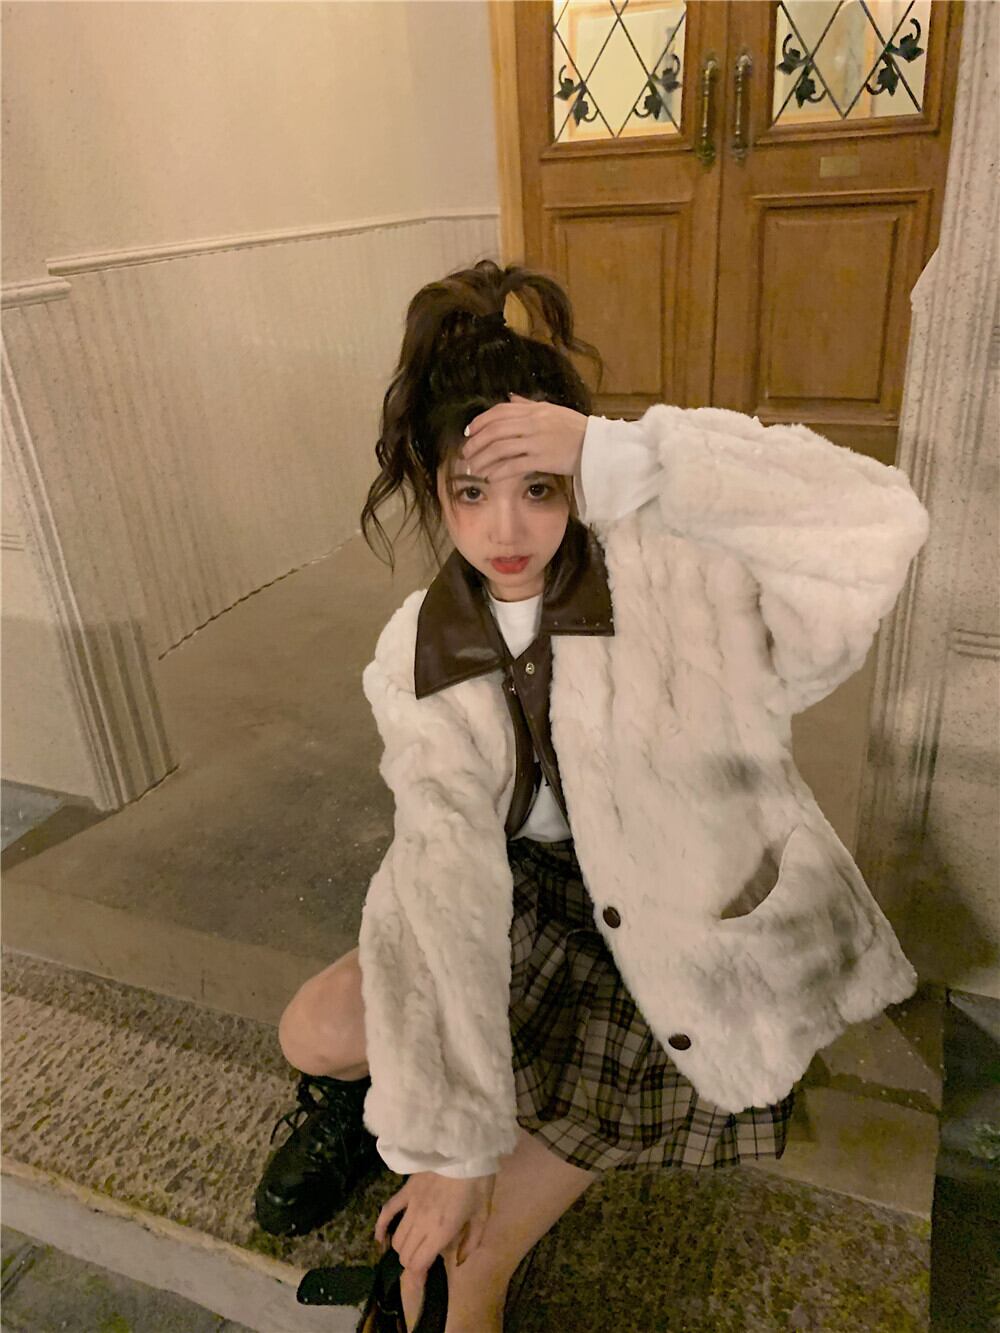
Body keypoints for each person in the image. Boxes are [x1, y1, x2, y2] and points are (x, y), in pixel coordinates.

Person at [255, 258, 930, 1331]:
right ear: (434, 486)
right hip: (527, 895)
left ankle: (464, 1233)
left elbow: (876, 522)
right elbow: (444, 870)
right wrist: (449, 1139)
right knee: (315, 1031)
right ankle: (375, 1118)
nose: (506, 529)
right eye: (471, 492)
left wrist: (625, 453)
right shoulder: (422, 643)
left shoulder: (676, 571)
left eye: (538, 487)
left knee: (478, 1253)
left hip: (676, 911)